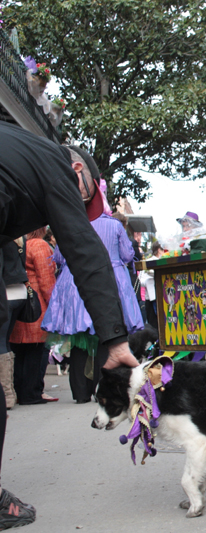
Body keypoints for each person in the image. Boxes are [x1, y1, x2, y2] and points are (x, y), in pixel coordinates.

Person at [0, 121, 138, 528]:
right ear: (79, 173)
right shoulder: (56, 167)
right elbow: (84, 253)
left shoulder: (19, 149)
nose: (79, 211)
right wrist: (115, 341)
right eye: (85, 198)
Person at [42, 211, 144, 403]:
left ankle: (80, 394)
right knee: (107, 337)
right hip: (108, 279)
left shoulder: (69, 221)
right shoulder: (114, 226)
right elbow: (127, 254)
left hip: (75, 281)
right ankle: (103, 391)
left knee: (79, 340)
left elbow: (60, 257)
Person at [10, 229, 57, 405]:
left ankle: (19, 391)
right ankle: (32, 392)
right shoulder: (39, 245)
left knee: (20, 350)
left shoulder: (20, 243)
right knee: (35, 350)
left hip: (20, 299)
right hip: (36, 302)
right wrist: (53, 304)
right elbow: (46, 279)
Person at [0, 242, 29, 410]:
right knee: (5, 341)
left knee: (1, 343)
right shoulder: (18, 236)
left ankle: (7, 395)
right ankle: (9, 392)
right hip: (19, 290)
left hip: (6, 292)